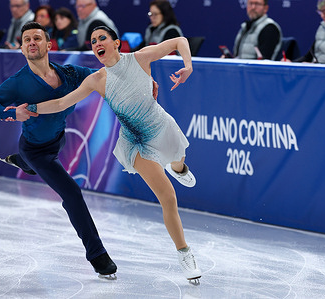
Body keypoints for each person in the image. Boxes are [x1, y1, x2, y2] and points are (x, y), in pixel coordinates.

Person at [25, 26, 202, 282]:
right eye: (93, 40)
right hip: (135, 142)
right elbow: (63, 102)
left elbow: (180, 39)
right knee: (168, 196)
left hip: (160, 127)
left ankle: (178, 169)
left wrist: (188, 66)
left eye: (102, 38)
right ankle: (184, 252)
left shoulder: (140, 58)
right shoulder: (97, 80)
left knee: (178, 160)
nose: (97, 43)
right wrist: (32, 107)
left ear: (116, 43)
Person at [0, 22, 117, 279]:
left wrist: (141, 82)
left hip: (58, 140)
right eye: (26, 39)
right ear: (21, 48)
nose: (31, 42)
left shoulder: (70, 74)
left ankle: (21, 162)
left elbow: (105, 75)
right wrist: (10, 112)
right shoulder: (18, 84)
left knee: (36, 163)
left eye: (37, 38)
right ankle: (97, 255)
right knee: (71, 192)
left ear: (48, 45)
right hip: (35, 149)